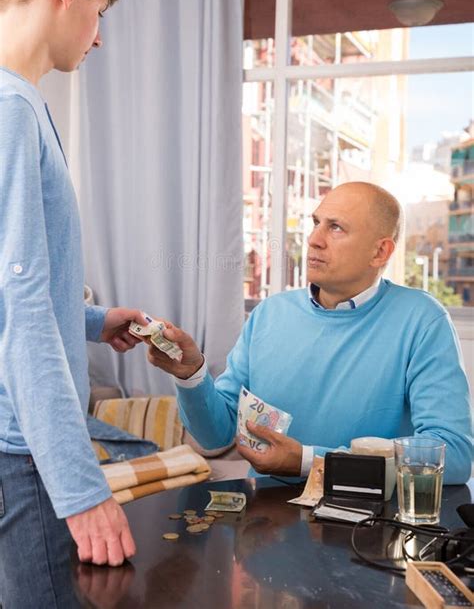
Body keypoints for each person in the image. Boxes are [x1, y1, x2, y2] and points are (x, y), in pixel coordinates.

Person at [0, 0, 147, 604]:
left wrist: (94, 319)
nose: (96, 37)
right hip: (22, 452)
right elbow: (21, 314)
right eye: (98, 10)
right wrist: (80, 487)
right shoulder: (13, 111)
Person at [147, 182, 472, 485]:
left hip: (369, 524)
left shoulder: (422, 320)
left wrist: (307, 461)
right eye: (316, 223)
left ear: (380, 252)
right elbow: (215, 435)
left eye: (336, 227)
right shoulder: (269, 314)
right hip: (267, 523)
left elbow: (452, 456)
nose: (314, 239)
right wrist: (191, 374)